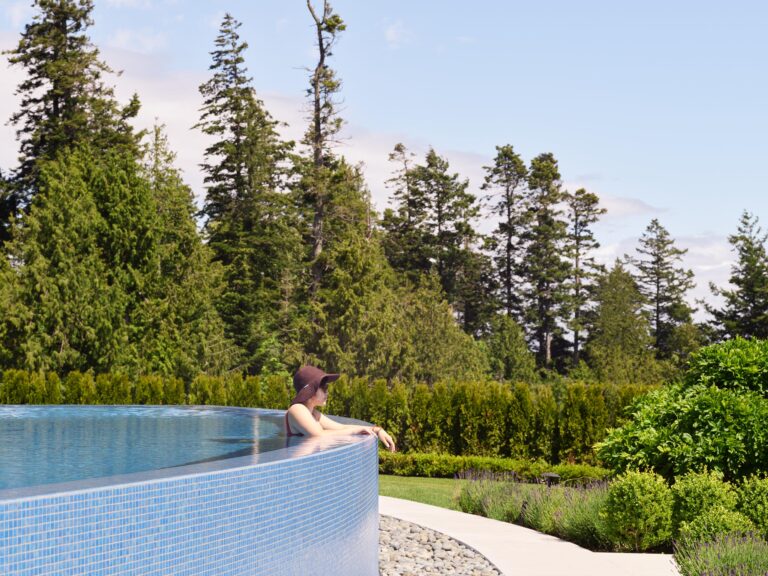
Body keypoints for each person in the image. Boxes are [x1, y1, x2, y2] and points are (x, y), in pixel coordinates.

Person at [285, 365, 396, 452]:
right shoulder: (297, 409)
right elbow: (319, 435)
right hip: (297, 475)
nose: (327, 392)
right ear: (311, 390)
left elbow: (341, 427)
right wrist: (355, 431)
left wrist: (376, 430)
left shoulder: (313, 414)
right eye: (324, 387)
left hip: (304, 471)